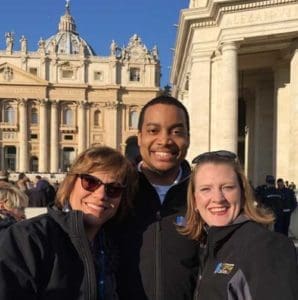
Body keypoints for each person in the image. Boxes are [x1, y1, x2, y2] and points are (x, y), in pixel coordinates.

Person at [0, 146, 137, 299]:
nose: (101, 195)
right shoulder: (26, 238)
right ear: (71, 183)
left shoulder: (114, 243)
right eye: (90, 182)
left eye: (114, 188)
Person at [181, 150, 298, 299]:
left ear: (243, 194)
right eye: (206, 189)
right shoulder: (206, 245)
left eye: (228, 187)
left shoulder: (267, 247)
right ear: (195, 200)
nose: (218, 198)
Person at [116, 96, 198, 300]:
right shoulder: (115, 191)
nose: (164, 140)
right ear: (140, 136)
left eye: (176, 132)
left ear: (187, 138)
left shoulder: (205, 196)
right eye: (153, 131)